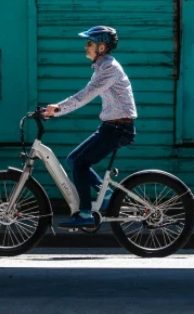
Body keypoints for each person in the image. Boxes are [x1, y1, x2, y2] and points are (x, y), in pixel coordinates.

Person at [43, 26, 137, 228]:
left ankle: (85, 213)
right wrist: (53, 110)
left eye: (90, 43)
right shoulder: (102, 67)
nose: (86, 46)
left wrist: (58, 108)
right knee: (74, 159)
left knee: (79, 162)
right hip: (111, 126)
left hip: (119, 128)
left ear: (101, 47)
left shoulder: (109, 68)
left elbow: (86, 95)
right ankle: (108, 193)